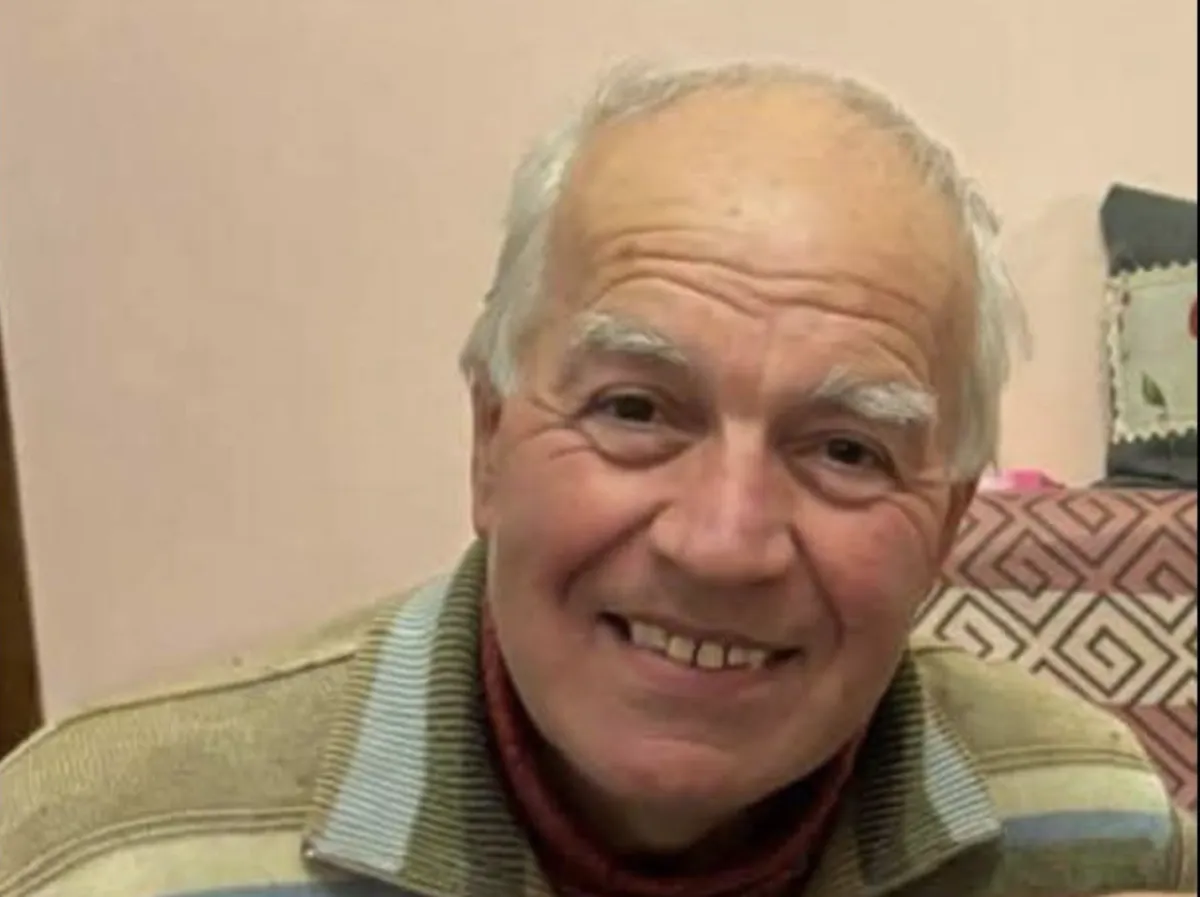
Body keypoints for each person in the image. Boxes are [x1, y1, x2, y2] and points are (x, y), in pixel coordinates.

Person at [0, 60, 1194, 897]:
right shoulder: (92, 855)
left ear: (944, 527)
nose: (722, 542)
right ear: (489, 441)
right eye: (635, 410)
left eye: (845, 449)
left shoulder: (1092, 827)